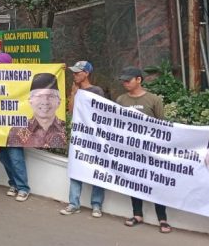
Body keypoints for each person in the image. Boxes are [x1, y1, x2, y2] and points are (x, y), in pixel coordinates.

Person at [116, 66, 171, 234]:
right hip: (131, 150)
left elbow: (163, 125)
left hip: (152, 150)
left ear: (139, 80)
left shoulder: (154, 100)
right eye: (123, 80)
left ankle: (162, 218)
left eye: (128, 80)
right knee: (134, 181)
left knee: (156, 182)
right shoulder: (120, 100)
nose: (125, 83)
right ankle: (137, 214)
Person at [60, 60, 107, 217]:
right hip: (79, 136)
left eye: (78, 72)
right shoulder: (76, 89)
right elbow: (71, 111)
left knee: (98, 169)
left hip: (94, 137)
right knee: (76, 169)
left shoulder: (97, 91)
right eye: (73, 72)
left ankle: (96, 204)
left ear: (86, 73)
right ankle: (74, 203)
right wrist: (73, 93)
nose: (75, 75)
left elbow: (102, 112)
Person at [0, 52, 32, 202]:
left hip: (14, 127)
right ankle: (13, 183)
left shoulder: (18, 78)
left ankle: (23, 188)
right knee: (2, 157)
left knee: (16, 158)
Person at [7, 73, 66, 148]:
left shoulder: (65, 129)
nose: (45, 102)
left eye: (51, 96)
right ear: (30, 101)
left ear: (59, 101)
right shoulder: (17, 131)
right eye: (39, 96)